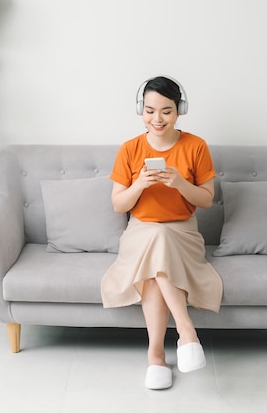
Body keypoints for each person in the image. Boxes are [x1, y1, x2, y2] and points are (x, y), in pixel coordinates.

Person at [101, 76, 223, 390]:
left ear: (179, 110)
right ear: (141, 110)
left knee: (159, 257)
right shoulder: (130, 149)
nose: (158, 119)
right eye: (151, 111)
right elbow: (118, 206)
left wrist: (180, 183)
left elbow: (207, 200)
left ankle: (155, 356)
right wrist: (140, 184)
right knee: (156, 242)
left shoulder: (196, 146)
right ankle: (186, 332)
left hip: (182, 232)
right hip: (140, 231)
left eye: (166, 111)